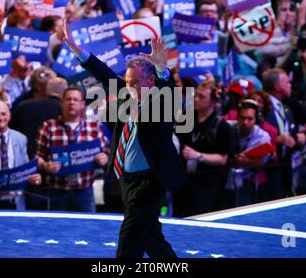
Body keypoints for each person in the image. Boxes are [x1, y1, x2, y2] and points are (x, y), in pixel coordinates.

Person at [62, 19, 187, 258]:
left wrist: (162, 69)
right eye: (127, 82)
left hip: (150, 181)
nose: (128, 87)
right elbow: (102, 73)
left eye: (134, 83)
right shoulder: (127, 95)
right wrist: (77, 50)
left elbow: (170, 90)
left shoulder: (162, 102)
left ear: (150, 81)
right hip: (126, 179)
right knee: (150, 236)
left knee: (129, 241)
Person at [35, 86, 110, 212]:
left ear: (82, 104)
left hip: (85, 192)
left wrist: (104, 158)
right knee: (57, 230)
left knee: (86, 229)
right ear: (62, 103)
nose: (71, 102)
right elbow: (37, 157)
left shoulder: (95, 127)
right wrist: (45, 166)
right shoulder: (47, 126)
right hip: (56, 191)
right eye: (68, 99)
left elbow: (107, 153)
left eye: (75, 100)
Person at [174, 80, 233, 217]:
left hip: (207, 183)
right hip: (184, 180)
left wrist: (198, 155)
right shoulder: (185, 119)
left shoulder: (222, 126)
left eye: (202, 97)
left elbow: (223, 159)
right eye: (196, 96)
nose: (196, 99)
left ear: (213, 101)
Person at [262, 68, 306, 198]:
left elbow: (288, 136)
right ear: (277, 86)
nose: (290, 84)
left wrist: (298, 138)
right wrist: (276, 139)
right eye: (287, 82)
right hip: (266, 169)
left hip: (284, 169)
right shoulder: (262, 106)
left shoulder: (287, 110)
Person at [10, 77, 67, 158]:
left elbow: (10, 132)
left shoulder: (24, 105)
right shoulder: (65, 110)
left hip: (24, 159)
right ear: (65, 92)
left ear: (47, 89)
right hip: (55, 159)